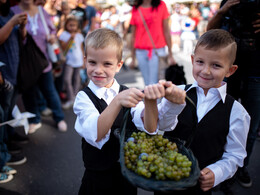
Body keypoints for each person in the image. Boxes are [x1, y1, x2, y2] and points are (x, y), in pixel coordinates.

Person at [73, 28, 186, 195]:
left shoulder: (126, 91)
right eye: (92, 62)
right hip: (97, 178)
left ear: (119, 65)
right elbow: (95, 132)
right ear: (85, 61)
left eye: (107, 64)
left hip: (127, 178)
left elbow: (150, 127)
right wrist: (118, 101)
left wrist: (150, 102)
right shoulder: (84, 97)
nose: (98, 70)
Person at [154, 29, 250, 195]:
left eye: (216, 65)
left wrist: (216, 172)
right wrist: (171, 103)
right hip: (164, 180)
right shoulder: (177, 92)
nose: (205, 71)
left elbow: (235, 155)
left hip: (199, 186)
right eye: (200, 62)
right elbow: (161, 123)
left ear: (230, 70)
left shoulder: (237, 112)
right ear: (192, 60)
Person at [207, 0, 260, 188]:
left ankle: (241, 167)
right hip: (228, 71)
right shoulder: (228, 3)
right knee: (221, 120)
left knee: (251, 127)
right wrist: (223, 11)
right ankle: (220, 168)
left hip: (256, 72)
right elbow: (209, 32)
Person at [12, 0, 67, 133]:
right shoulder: (13, 11)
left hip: (43, 61)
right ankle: (34, 120)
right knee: (29, 93)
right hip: (25, 63)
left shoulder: (42, 11)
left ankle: (59, 118)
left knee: (50, 91)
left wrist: (53, 37)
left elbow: (52, 30)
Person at [0, 0, 27, 182]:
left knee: (6, 114)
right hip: (3, 75)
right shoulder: (9, 17)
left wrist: (22, 26)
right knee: (1, 116)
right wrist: (11, 23)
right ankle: (2, 158)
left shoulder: (9, 13)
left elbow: (21, 39)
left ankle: (5, 153)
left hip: (13, 71)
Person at [129, 0, 176, 85]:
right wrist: (132, 58)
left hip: (157, 50)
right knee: (147, 83)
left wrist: (170, 54)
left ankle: (155, 98)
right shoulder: (136, 8)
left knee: (155, 83)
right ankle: (151, 98)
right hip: (140, 51)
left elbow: (166, 31)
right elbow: (133, 35)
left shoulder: (161, 5)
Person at [59, 15, 84, 109]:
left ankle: (75, 97)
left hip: (78, 60)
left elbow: (81, 48)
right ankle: (71, 97)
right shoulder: (64, 35)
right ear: (66, 25)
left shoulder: (79, 35)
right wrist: (70, 39)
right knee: (67, 79)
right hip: (68, 61)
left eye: (74, 25)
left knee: (77, 79)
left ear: (77, 26)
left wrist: (84, 60)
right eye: (70, 25)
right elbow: (63, 48)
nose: (72, 27)